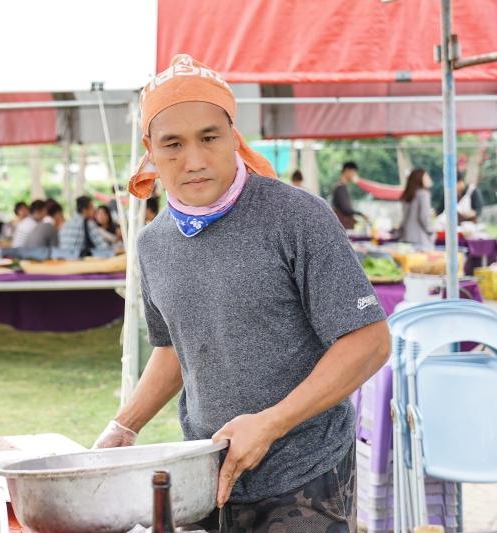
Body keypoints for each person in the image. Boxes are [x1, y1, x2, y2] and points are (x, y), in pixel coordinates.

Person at [92, 55, 390, 532]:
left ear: (233, 135)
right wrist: (123, 426)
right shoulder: (153, 243)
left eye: (209, 137)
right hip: (207, 473)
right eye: (173, 144)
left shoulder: (296, 217)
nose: (194, 160)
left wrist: (270, 423)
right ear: (150, 149)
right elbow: (175, 349)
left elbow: (370, 341)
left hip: (305, 472)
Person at [399, 169, 434, 247]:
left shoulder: (407, 195)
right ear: (420, 178)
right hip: (421, 239)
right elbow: (424, 217)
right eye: (427, 177)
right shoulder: (423, 194)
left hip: (407, 237)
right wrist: (430, 231)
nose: (429, 179)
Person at [331, 162, 367, 230]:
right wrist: (361, 214)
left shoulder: (344, 187)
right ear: (347, 170)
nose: (354, 175)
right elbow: (345, 208)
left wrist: (352, 217)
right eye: (353, 173)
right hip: (342, 226)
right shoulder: (340, 187)